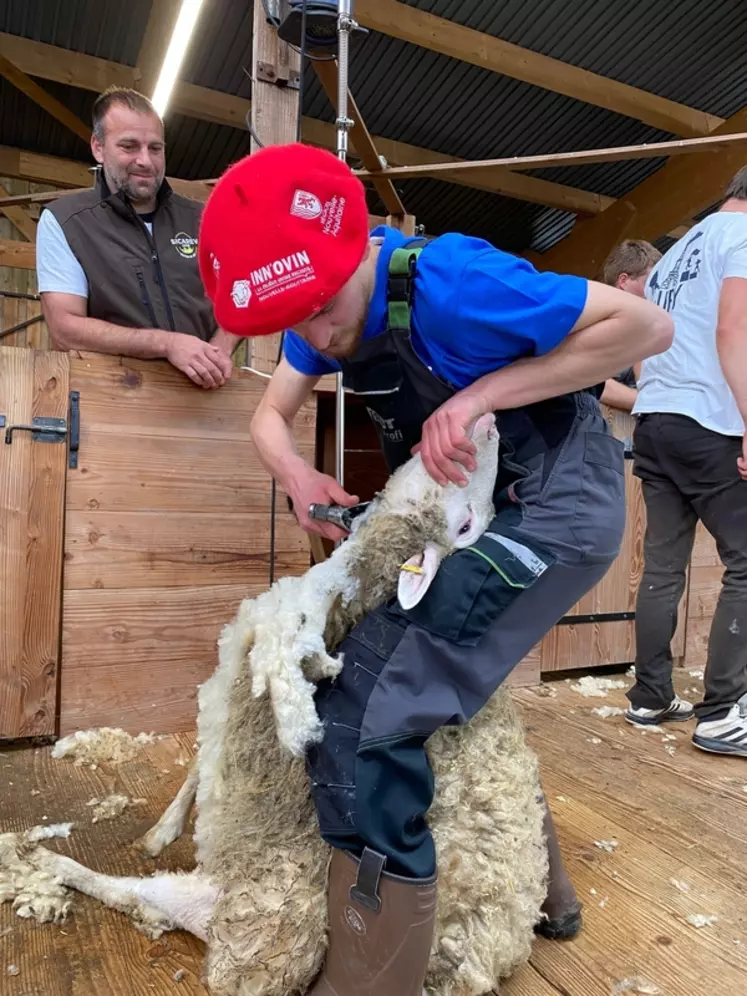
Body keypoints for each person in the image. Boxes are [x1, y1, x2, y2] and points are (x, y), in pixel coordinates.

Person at [197, 143, 673, 994]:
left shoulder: (451, 280)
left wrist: (478, 395)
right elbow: (270, 415)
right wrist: (297, 475)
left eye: (316, 311)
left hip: (554, 508)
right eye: (290, 322)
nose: (311, 338)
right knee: (451, 697)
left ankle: (368, 981)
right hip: (466, 519)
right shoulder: (326, 310)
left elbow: (644, 328)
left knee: (368, 711)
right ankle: (544, 898)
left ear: (352, 254)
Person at [625, 167, 747, 754]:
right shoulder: (742, 238)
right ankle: (722, 712)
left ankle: (650, 695)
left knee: (664, 568)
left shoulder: (676, 253)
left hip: (656, 418)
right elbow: (732, 329)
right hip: (705, 420)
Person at [36, 86, 234, 390]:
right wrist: (167, 344)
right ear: (98, 148)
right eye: (129, 146)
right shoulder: (66, 222)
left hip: (207, 397)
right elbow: (66, 328)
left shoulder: (205, 218)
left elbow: (243, 292)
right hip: (109, 400)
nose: (145, 160)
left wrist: (218, 351)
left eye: (155, 148)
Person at [599, 239, 663, 412]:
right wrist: (655, 404)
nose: (656, 291)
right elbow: (588, 380)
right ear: (623, 281)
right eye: (650, 284)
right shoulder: (595, 322)